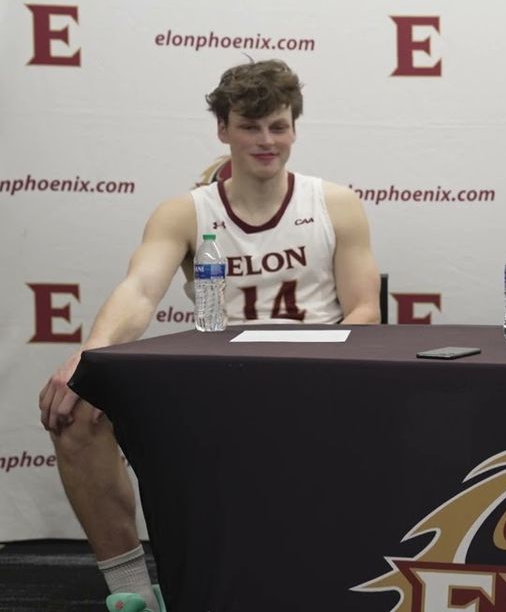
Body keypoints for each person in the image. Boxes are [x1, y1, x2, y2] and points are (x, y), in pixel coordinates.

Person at [37, 59, 381, 611]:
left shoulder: (334, 203)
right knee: (74, 410)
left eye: (279, 125)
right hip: (217, 376)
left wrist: (317, 368)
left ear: (295, 127)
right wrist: (89, 358)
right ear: (223, 129)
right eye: (250, 126)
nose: (266, 140)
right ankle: (132, 594)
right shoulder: (184, 212)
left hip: (317, 374)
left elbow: (364, 312)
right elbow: (140, 290)